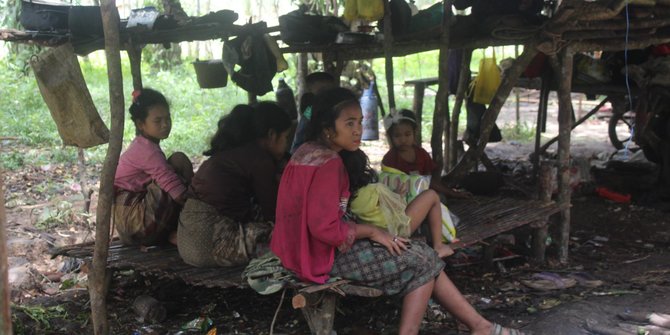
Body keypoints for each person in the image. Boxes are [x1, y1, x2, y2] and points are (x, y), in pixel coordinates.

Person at [271, 87, 523, 335]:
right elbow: (324, 229)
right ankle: (477, 327)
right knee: (422, 259)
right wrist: (372, 231)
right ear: (327, 129)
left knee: (418, 253)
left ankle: (481, 327)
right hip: (317, 259)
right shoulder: (329, 164)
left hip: (296, 251)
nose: (358, 129)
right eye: (349, 123)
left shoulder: (305, 152)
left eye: (359, 121)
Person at [178, 102, 292, 267]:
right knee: (293, 234)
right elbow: (273, 212)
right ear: (272, 135)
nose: (287, 145)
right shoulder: (259, 159)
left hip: (187, 244)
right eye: (286, 137)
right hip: (209, 245)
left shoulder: (231, 154)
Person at [113, 88, 193, 246]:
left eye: (168, 119)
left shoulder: (144, 145)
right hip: (135, 223)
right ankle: (184, 227)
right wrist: (201, 207)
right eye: (158, 121)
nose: (165, 125)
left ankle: (172, 231)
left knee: (176, 163)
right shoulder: (148, 151)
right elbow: (176, 192)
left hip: (130, 226)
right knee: (178, 163)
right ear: (141, 124)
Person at [345, 149, 455, 258]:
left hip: (371, 235)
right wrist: (399, 194)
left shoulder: (346, 195)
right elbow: (397, 207)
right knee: (431, 195)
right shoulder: (376, 189)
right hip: (395, 231)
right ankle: (439, 246)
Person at [382, 109, 469, 199]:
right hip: (400, 199)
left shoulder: (421, 154)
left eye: (407, 135)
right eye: (397, 136)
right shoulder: (390, 159)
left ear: (415, 133)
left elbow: (429, 181)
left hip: (423, 196)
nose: (403, 140)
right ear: (390, 137)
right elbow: (386, 186)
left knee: (440, 198)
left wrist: (453, 193)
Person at [289, 71, 337, 154]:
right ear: (311, 93)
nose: (327, 95)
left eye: (330, 92)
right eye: (322, 91)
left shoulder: (333, 110)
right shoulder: (309, 112)